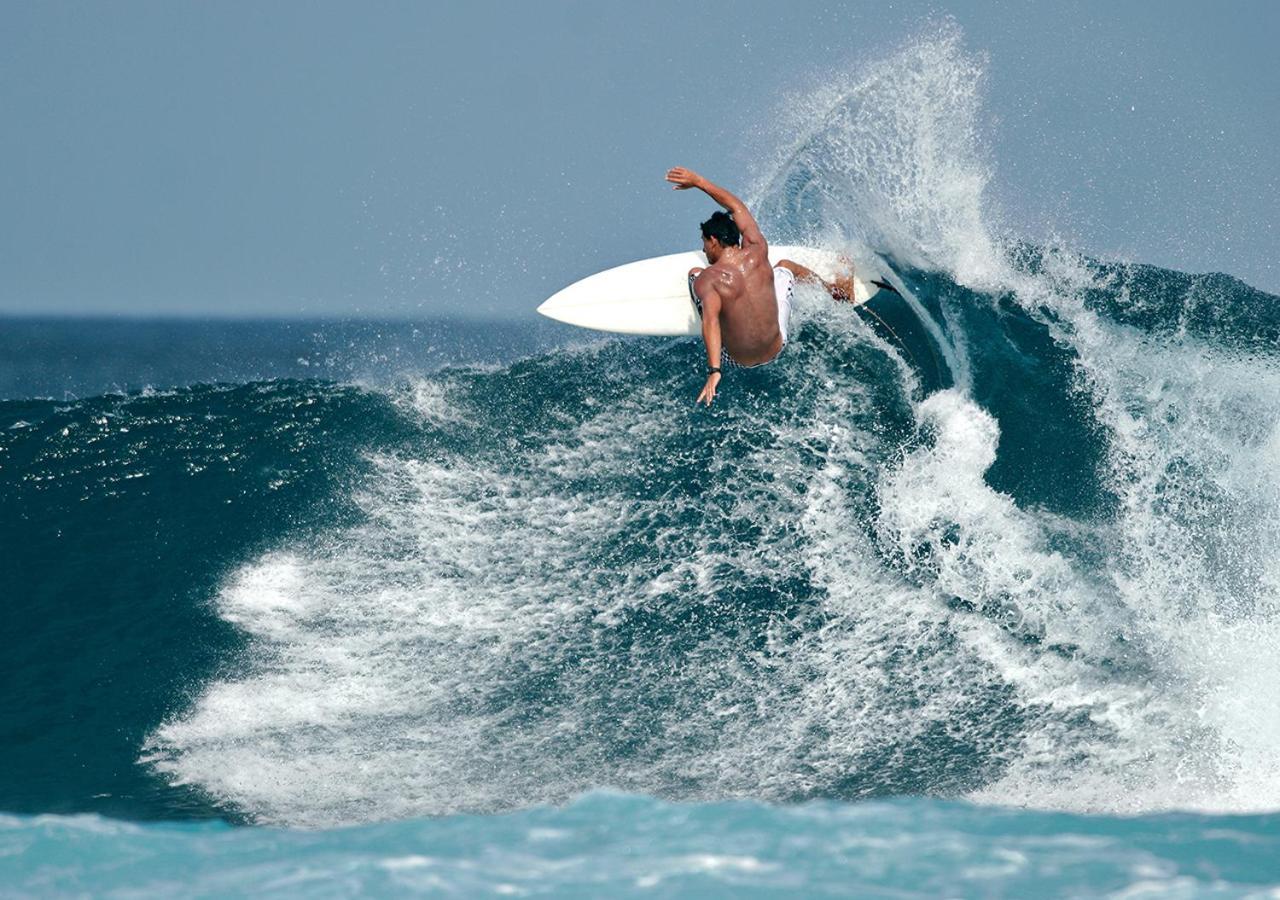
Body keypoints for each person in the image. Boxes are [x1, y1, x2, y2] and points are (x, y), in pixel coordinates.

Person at [665, 167, 857, 405]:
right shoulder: (757, 249)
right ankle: (835, 291)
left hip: (737, 359)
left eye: (704, 243)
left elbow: (711, 322)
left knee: (694, 275)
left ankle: (711, 302)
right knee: (785, 266)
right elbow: (737, 208)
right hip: (778, 343)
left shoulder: (710, 278)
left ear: (714, 241)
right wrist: (699, 182)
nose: (704, 250)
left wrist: (715, 371)